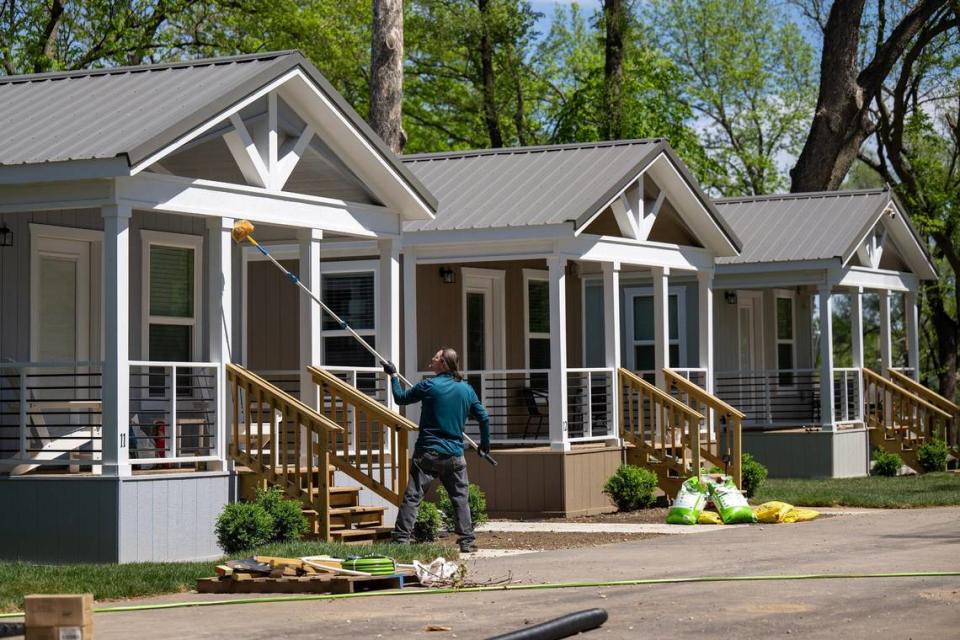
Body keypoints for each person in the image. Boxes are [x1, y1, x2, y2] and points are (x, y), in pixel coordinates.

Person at [383, 347, 490, 553]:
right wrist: (485, 443)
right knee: (460, 498)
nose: (431, 360)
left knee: (413, 497)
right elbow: (483, 417)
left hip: (427, 454)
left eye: (435, 358)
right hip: (454, 455)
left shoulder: (428, 386)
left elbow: (400, 398)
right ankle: (466, 541)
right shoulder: (466, 389)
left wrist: (393, 376)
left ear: (444, 364)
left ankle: (401, 540)